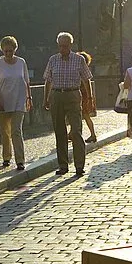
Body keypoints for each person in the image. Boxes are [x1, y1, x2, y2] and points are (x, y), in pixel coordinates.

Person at [43, 32, 92, 177]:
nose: (62, 49)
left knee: (76, 131)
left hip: (73, 94)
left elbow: (86, 79)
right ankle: (63, 165)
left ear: (70, 45)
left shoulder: (78, 59)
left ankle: (79, 165)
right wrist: (46, 98)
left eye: (65, 46)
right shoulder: (53, 59)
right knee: (60, 132)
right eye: (60, 46)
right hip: (57, 95)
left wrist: (89, 97)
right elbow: (48, 80)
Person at [0, 35, 31, 169]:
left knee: (16, 131)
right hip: (3, 101)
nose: (8, 53)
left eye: (10, 50)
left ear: (15, 49)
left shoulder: (21, 62)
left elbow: (26, 81)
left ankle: (20, 160)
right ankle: (6, 157)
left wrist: (29, 97)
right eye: (5, 51)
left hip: (19, 101)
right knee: (5, 132)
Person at [78, 51, 100, 143]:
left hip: (83, 96)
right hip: (86, 96)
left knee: (85, 116)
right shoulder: (85, 70)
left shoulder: (81, 71)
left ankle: (93, 134)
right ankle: (73, 133)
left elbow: (84, 83)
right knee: (83, 116)